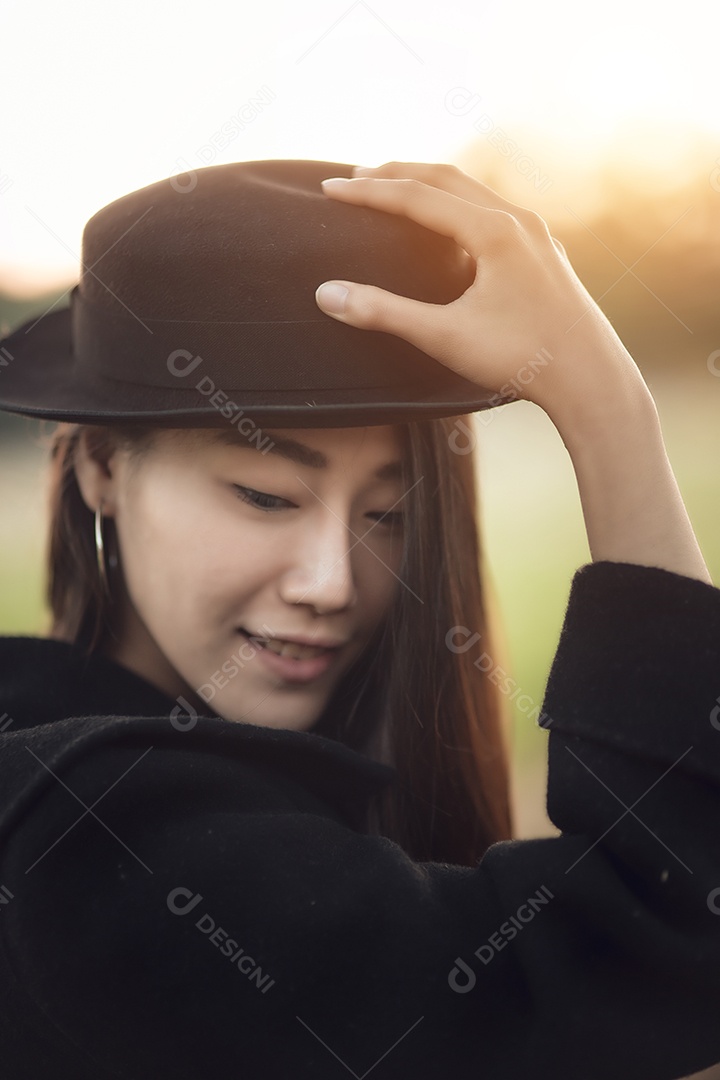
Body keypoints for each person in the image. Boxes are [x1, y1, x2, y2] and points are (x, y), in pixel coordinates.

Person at [0, 158, 718, 1080]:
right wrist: (606, 403)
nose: (332, 583)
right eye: (265, 496)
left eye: (388, 513)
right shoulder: (99, 845)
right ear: (101, 466)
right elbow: (678, 937)